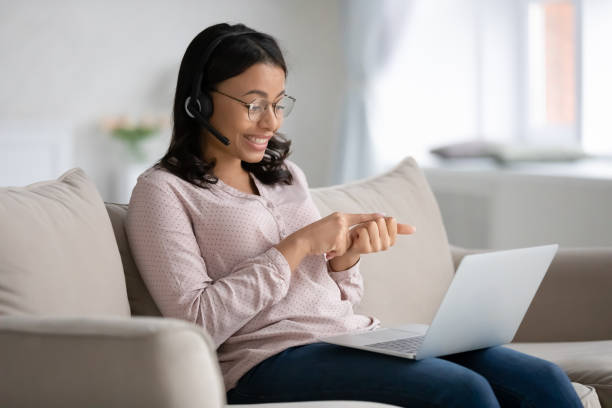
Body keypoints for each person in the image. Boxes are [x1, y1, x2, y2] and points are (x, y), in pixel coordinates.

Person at [125, 23, 582, 407]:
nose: (272, 122)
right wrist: (297, 245)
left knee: (545, 381)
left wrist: (345, 260)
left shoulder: (285, 176)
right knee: (462, 392)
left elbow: (339, 299)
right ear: (200, 101)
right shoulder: (162, 191)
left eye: (279, 103)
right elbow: (195, 323)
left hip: (354, 337)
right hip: (265, 362)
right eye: (254, 103)